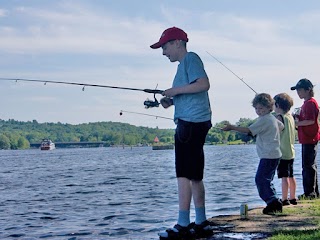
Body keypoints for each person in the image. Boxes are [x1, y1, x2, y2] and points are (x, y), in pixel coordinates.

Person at [150, 26, 213, 239]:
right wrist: (171, 101)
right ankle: (202, 222)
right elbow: (191, 91)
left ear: (177, 42)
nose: (163, 51)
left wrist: (175, 91)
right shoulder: (182, 67)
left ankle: (183, 225)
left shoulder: (191, 59)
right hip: (195, 122)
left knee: (183, 175)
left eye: (165, 46)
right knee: (195, 175)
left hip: (190, 124)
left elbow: (203, 84)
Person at [222, 93, 284, 214]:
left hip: (268, 154)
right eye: (256, 108)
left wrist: (232, 127)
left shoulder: (265, 119)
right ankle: (273, 201)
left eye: (261, 108)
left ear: (268, 108)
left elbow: (248, 130)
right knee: (266, 180)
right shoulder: (272, 118)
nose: (258, 111)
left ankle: (273, 202)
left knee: (260, 179)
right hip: (274, 153)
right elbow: (281, 126)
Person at [291, 78, 320, 199]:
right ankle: (314, 192)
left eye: (300, 90)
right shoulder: (306, 103)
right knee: (309, 166)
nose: (298, 93)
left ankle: (310, 193)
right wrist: (297, 118)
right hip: (307, 139)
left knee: (308, 167)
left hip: (310, 138)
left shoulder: (310, 103)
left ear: (308, 90)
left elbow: (311, 121)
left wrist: (296, 123)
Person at [273, 93, 297, 205]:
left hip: (282, 152)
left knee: (284, 177)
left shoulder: (280, 117)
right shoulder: (290, 117)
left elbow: (275, 131)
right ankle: (293, 197)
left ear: (277, 105)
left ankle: (284, 199)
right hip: (291, 151)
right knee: (291, 176)